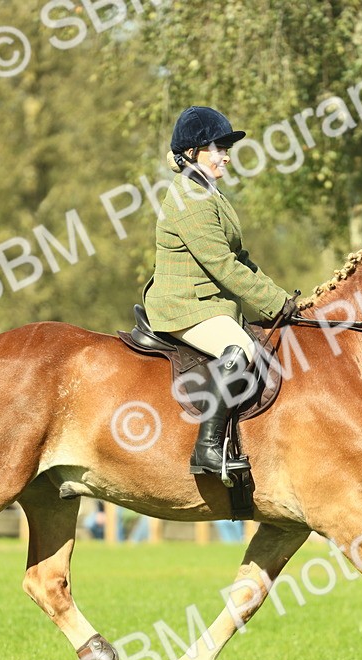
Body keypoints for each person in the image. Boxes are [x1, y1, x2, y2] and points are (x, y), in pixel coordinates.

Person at [143, 106, 298, 475]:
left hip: (208, 304)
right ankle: (207, 450)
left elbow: (240, 258)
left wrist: (286, 299)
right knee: (241, 349)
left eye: (226, 148)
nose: (225, 155)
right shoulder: (189, 199)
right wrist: (275, 303)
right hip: (184, 306)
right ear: (192, 154)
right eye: (217, 148)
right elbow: (223, 267)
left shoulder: (209, 193)